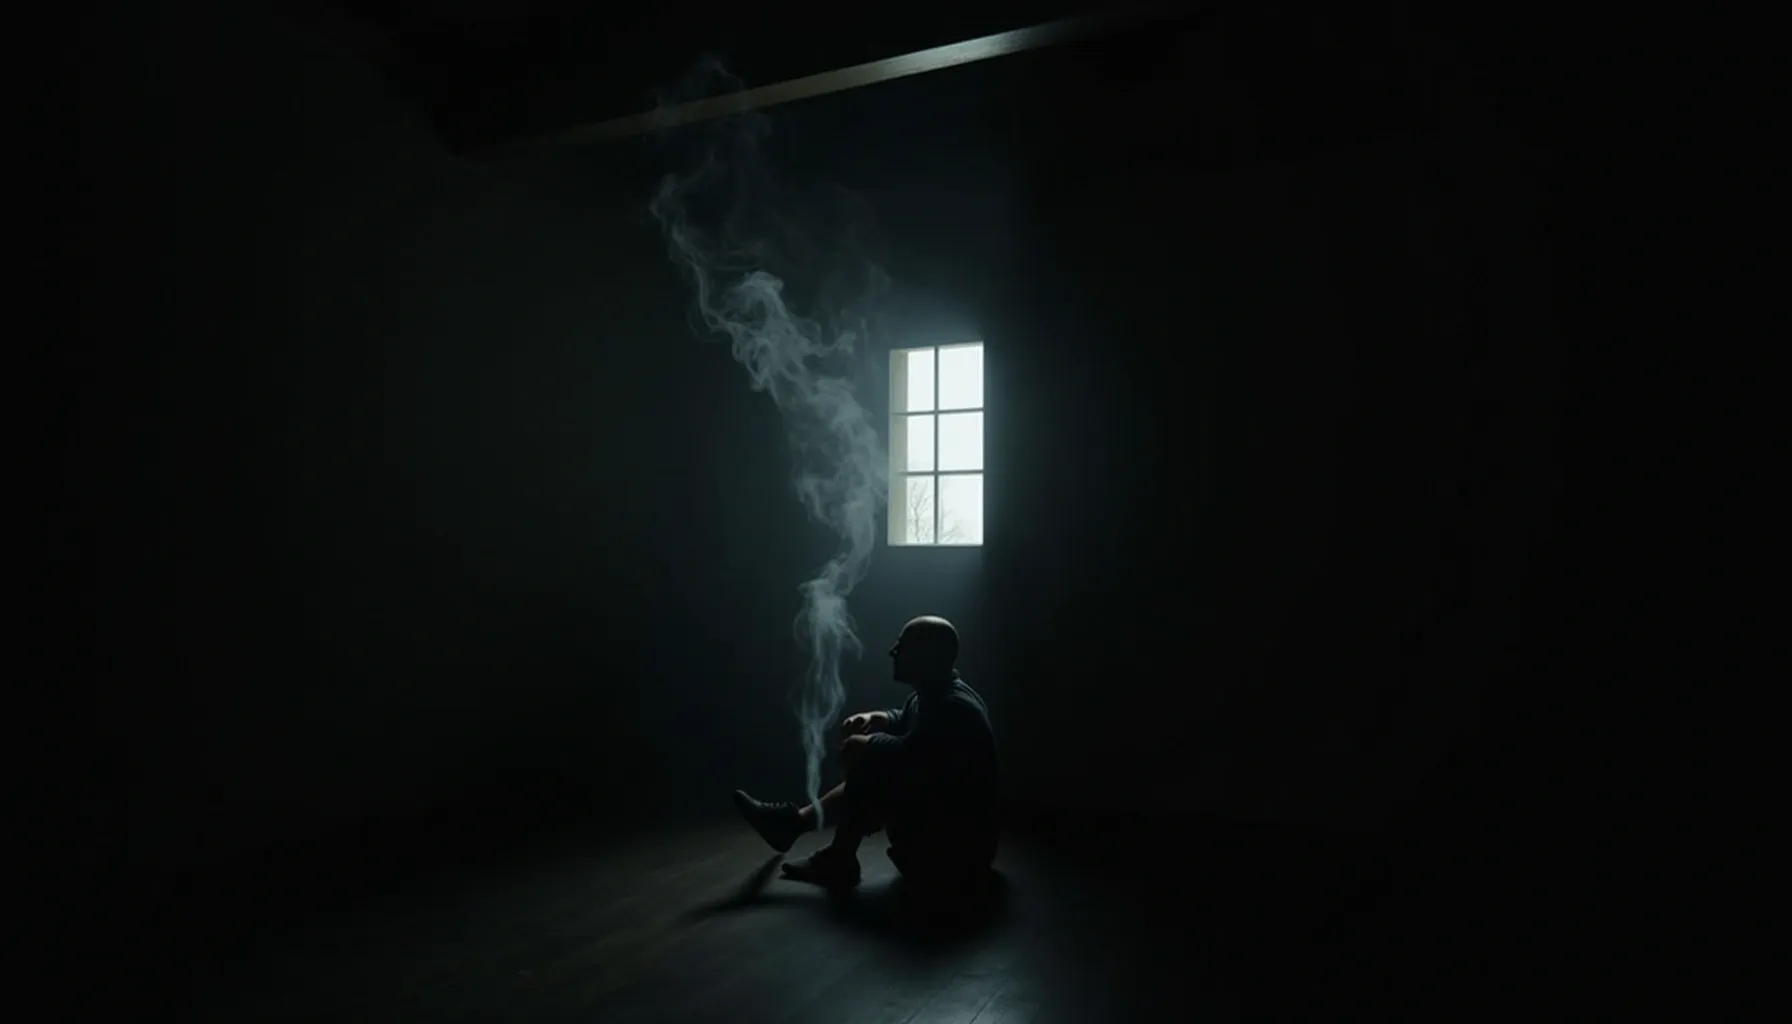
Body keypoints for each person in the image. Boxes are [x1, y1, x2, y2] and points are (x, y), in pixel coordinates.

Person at [732, 615, 999, 891]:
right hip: (953, 849)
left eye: (903, 646)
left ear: (929, 655)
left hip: (955, 862)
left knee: (874, 762)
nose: (893, 652)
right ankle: (801, 831)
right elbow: (911, 725)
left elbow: (915, 755)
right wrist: (877, 718)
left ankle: (826, 850)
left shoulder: (954, 707)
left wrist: (868, 744)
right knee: (877, 759)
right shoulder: (934, 696)